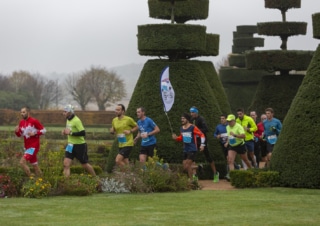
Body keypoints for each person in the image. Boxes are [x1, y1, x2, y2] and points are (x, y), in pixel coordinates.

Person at [61, 104, 96, 177]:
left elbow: (83, 132)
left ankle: (96, 179)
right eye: (63, 111)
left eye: (65, 112)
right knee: (66, 164)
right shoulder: (68, 119)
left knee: (84, 164)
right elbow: (70, 130)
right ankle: (66, 184)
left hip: (80, 145)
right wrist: (64, 131)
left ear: (70, 112)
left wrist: (70, 133)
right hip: (70, 145)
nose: (63, 113)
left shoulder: (76, 120)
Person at [15, 106, 46, 177]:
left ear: (28, 113)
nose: (22, 114)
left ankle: (31, 178)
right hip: (27, 147)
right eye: (21, 112)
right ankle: (42, 180)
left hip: (34, 146)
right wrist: (16, 131)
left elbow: (44, 130)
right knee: (35, 166)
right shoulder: (21, 122)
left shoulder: (34, 121)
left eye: (23, 112)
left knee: (22, 162)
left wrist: (34, 133)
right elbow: (20, 135)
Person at [172, 113, 205, 181]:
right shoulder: (181, 128)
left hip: (192, 148)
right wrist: (176, 138)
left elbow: (202, 135)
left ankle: (191, 181)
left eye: (183, 118)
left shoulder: (192, 127)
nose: (182, 120)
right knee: (185, 167)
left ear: (187, 119)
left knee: (188, 166)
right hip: (185, 149)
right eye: (181, 119)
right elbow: (181, 138)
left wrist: (202, 145)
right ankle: (198, 167)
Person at [190, 106, 219, 183]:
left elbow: (206, 129)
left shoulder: (201, 119)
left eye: (192, 112)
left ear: (196, 112)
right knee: (193, 157)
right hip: (195, 141)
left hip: (202, 140)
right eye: (191, 112)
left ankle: (215, 173)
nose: (191, 114)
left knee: (208, 157)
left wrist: (197, 131)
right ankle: (195, 175)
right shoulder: (192, 120)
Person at [225, 114, 252, 181]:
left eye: (230, 121)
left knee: (245, 160)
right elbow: (229, 136)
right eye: (228, 121)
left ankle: (252, 170)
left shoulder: (238, 126)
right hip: (232, 145)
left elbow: (244, 136)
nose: (229, 122)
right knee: (230, 160)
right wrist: (227, 142)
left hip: (240, 145)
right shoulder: (227, 127)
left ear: (234, 121)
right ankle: (232, 175)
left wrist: (235, 135)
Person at [110, 104, 138, 169]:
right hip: (121, 143)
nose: (116, 111)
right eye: (116, 109)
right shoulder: (114, 120)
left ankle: (128, 174)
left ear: (123, 111)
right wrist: (112, 131)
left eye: (118, 110)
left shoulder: (128, 119)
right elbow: (113, 130)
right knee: (125, 162)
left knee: (118, 160)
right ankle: (129, 176)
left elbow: (137, 127)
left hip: (128, 143)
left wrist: (130, 131)